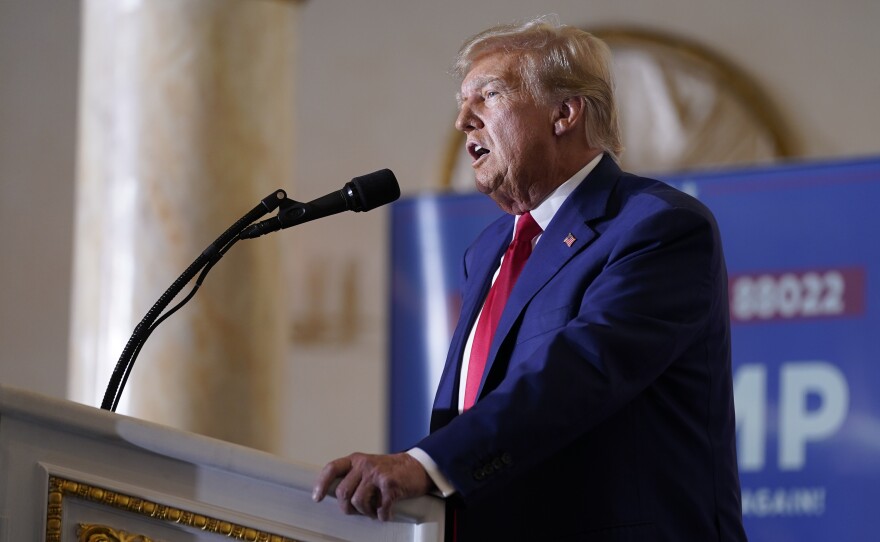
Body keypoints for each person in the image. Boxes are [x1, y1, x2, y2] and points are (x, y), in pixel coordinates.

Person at [313, 15, 747, 541]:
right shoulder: (487, 250)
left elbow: (581, 370)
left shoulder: (658, 226)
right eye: (462, 102)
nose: (463, 121)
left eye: (489, 95)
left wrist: (427, 464)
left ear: (564, 113)